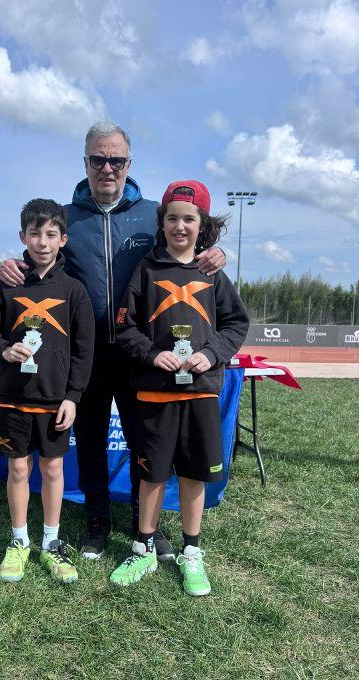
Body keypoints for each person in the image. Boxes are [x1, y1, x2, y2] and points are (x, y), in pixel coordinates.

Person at [0, 122, 226, 561]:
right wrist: (12, 264)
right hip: (86, 354)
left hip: (143, 352)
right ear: (85, 162)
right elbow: (42, 254)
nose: (107, 168)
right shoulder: (67, 217)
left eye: (116, 160)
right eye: (98, 159)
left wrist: (215, 252)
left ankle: (148, 526)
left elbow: (185, 246)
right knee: (91, 438)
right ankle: (98, 518)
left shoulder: (153, 214)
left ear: (128, 164)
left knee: (146, 442)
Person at [109, 180, 249, 595]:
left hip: (200, 392)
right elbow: (125, 326)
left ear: (202, 225)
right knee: (151, 474)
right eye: (172, 218)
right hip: (154, 393)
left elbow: (235, 323)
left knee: (193, 474)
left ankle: (191, 551)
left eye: (189, 219)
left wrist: (212, 354)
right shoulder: (146, 270)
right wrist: (153, 354)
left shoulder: (212, 273)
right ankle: (144, 548)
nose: (180, 226)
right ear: (163, 222)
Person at [0, 198, 95, 584]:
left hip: (54, 399)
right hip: (13, 396)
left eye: (51, 234)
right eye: (35, 233)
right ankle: (19, 540)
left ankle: (52, 542)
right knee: (18, 467)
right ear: (22, 236)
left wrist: (73, 396)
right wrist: (3, 350)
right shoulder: (6, 284)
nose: (43, 242)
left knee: (53, 467)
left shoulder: (74, 290)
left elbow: (84, 350)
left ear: (63, 240)